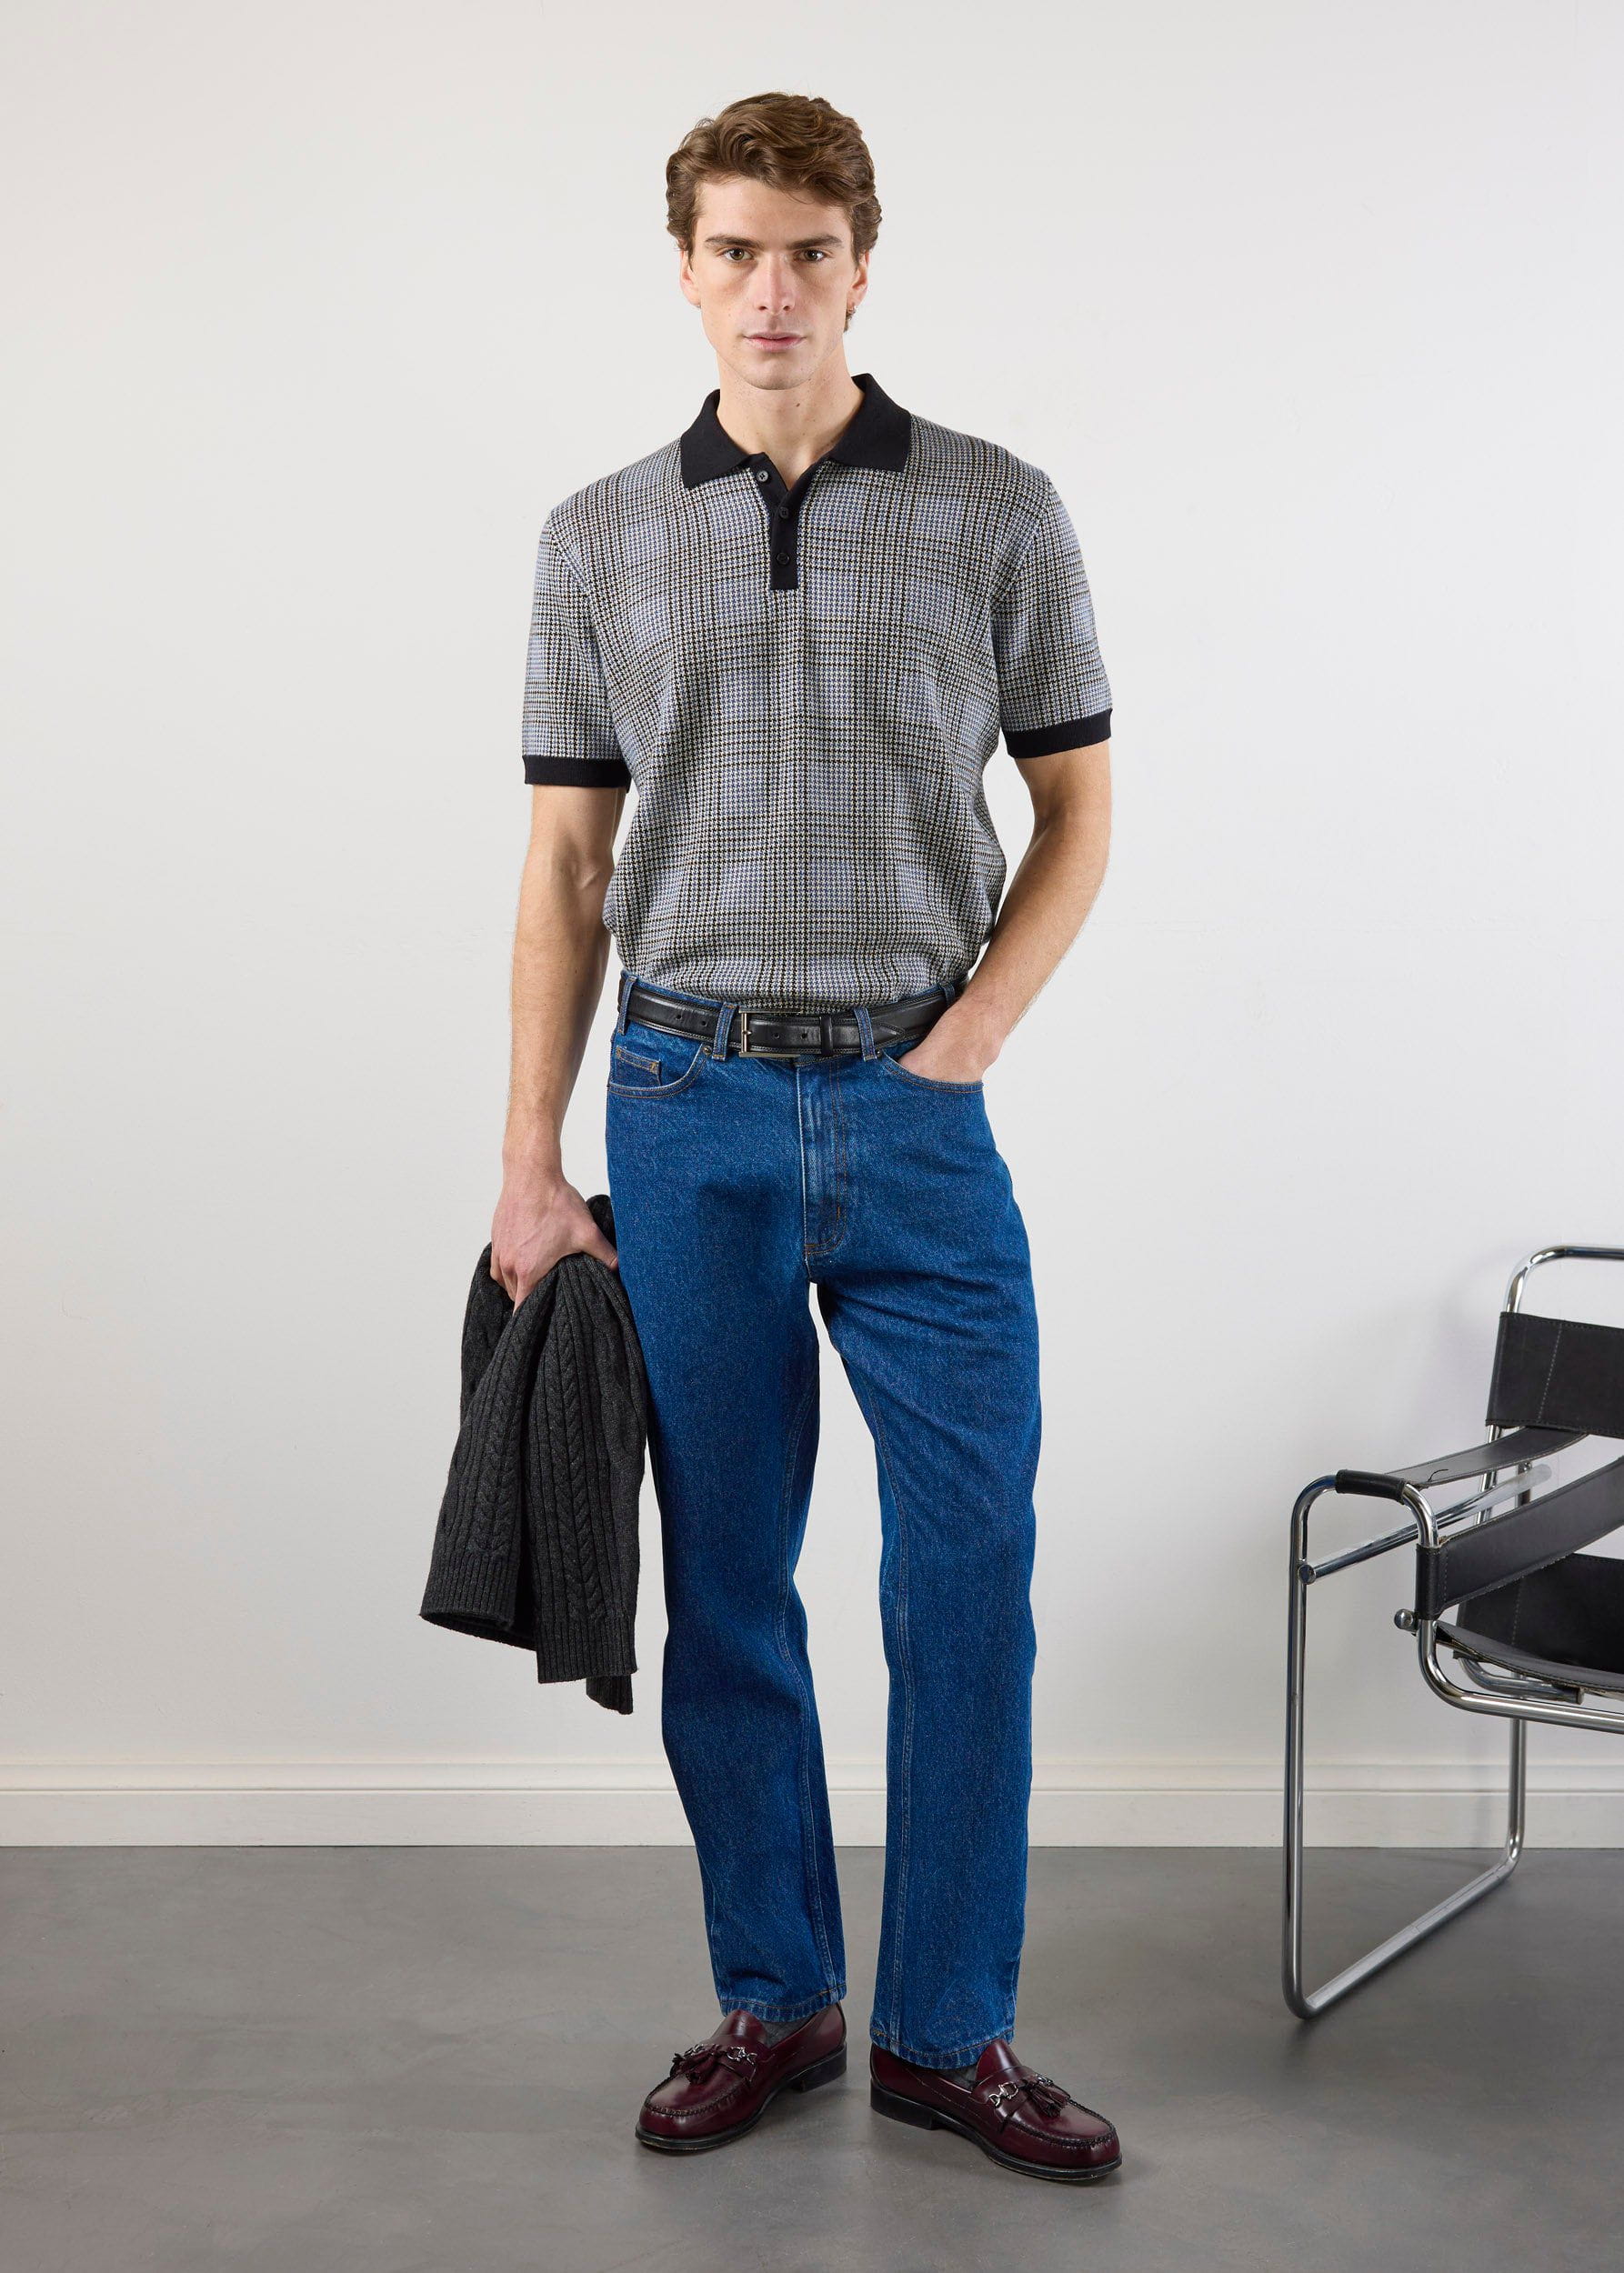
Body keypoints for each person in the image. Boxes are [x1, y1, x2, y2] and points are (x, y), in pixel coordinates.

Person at [489, 88, 1120, 2183]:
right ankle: (779, 1991)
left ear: (864, 266)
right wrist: (526, 1152)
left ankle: (952, 2029)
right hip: (679, 1109)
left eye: (810, 253)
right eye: (735, 251)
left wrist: (967, 1038)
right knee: (730, 1582)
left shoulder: (996, 508)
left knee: (967, 1576)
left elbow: (1077, 803)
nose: (772, 289)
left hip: (917, 1116)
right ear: (683, 268)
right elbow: (567, 865)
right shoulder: (595, 535)